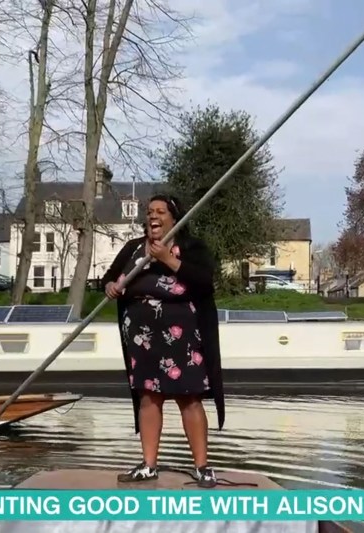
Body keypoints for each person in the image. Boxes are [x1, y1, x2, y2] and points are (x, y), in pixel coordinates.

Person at [101, 194, 224, 488]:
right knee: (148, 396)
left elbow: (205, 280)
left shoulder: (191, 246)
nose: (152, 216)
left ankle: (203, 467)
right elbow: (108, 276)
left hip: (182, 333)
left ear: (174, 217)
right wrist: (109, 285)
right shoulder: (133, 248)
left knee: (189, 397)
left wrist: (167, 259)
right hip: (142, 336)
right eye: (149, 212)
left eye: (160, 211)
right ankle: (148, 465)